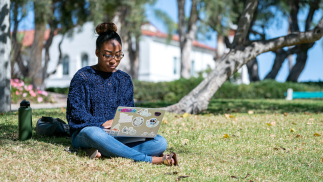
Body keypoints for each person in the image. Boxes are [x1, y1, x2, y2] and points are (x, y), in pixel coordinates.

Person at [66, 22, 178, 166]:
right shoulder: (83, 77)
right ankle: (150, 160)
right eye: (108, 55)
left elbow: (129, 113)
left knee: (160, 142)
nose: (113, 60)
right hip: (88, 132)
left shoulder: (124, 79)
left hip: (117, 135)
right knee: (95, 134)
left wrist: (129, 125)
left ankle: (102, 151)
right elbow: (75, 115)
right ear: (97, 52)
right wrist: (101, 123)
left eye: (118, 55)